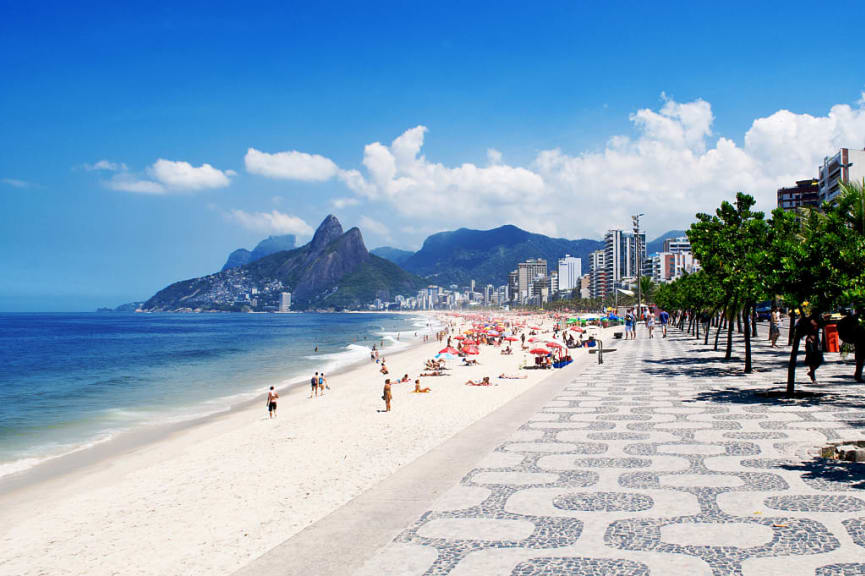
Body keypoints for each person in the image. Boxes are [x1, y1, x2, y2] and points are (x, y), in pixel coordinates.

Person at [804, 317, 823, 384]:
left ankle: (811, 372)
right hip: (810, 341)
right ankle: (813, 377)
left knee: (820, 359)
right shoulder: (808, 320)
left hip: (817, 341)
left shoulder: (819, 320)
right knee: (811, 358)